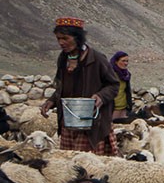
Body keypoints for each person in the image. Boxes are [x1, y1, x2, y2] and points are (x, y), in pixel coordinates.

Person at [39, 16, 120, 155]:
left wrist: (101, 96)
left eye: (65, 38)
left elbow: (113, 85)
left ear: (77, 38)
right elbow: (62, 87)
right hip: (69, 122)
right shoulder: (63, 58)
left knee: (89, 166)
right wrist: (52, 101)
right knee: (68, 165)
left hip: (91, 123)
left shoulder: (96, 59)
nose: (61, 43)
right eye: (58, 39)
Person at [110, 51, 133, 123]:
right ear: (116, 61)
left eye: (127, 61)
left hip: (123, 108)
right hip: (113, 108)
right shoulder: (109, 74)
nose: (125, 63)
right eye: (123, 61)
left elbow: (126, 90)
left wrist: (129, 105)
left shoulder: (126, 75)